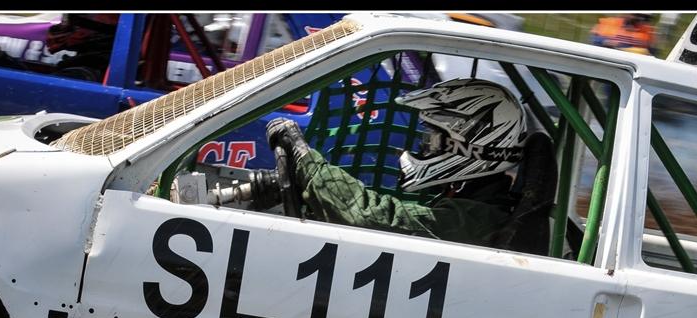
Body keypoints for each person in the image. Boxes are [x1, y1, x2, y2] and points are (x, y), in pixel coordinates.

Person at [266, 78, 558, 255]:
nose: (421, 148)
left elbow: (371, 217)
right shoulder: (477, 207)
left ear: (466, 147)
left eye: (430, 140)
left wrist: (308, 163)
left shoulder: (475, 219)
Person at [590, 13, 657, 56]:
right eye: (637, 15)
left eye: (645, 18)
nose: (640, 19)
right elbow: (595, 39)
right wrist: (605, 42)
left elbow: (651, 52)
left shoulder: (647, 31)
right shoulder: (611, 23)